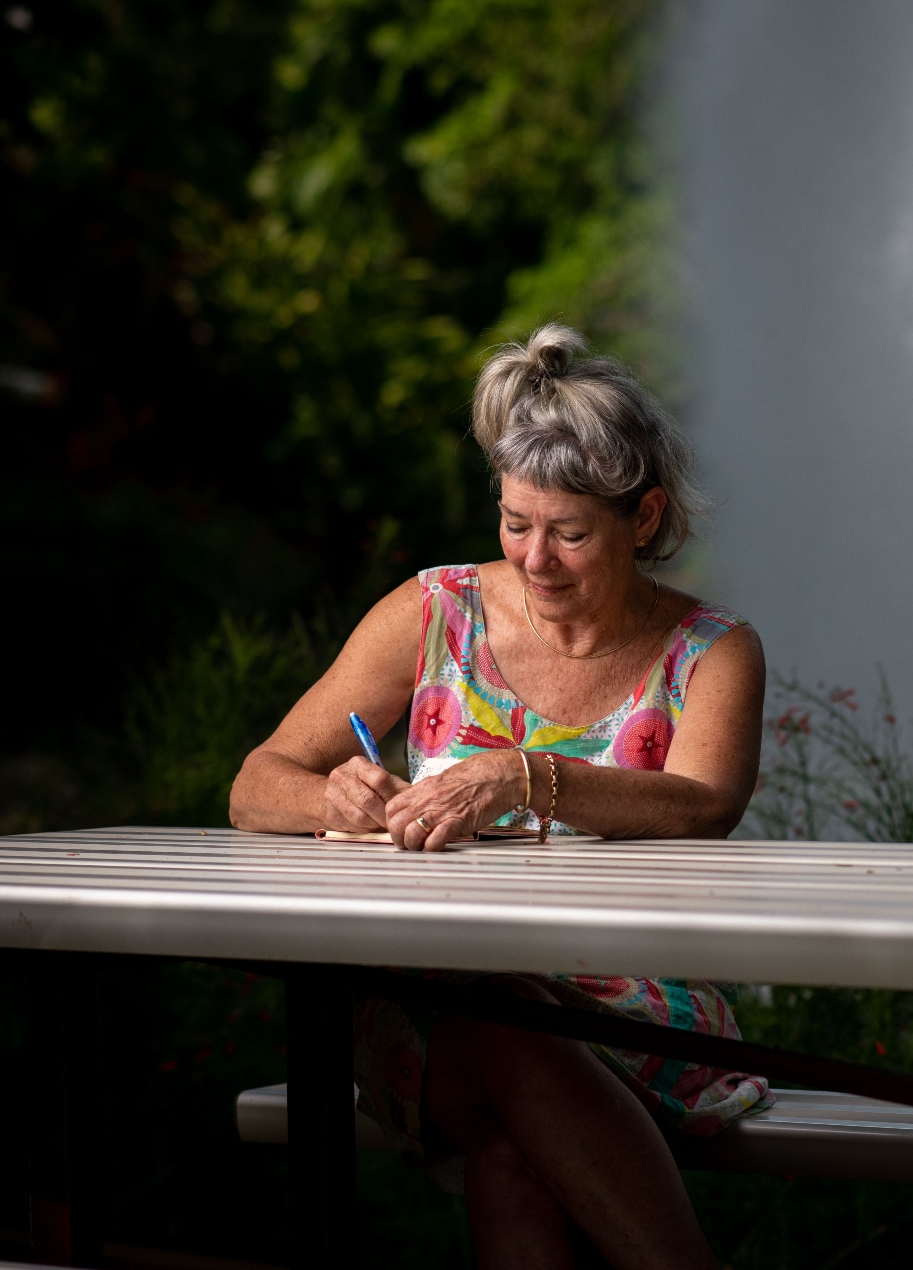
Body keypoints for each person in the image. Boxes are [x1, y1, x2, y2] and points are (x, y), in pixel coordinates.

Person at [231, 324, 764, 1270]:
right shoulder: (433, 613)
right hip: (431, 1008)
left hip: (637, 999)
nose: (535, 560)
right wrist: (336, 800)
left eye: (569, 532)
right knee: (508, 1018)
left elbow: (704, 804)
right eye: (516, 524)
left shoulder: (712, 650)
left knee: (514, 1141)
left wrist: (527, 774)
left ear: (643, 519)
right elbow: (255, 785)